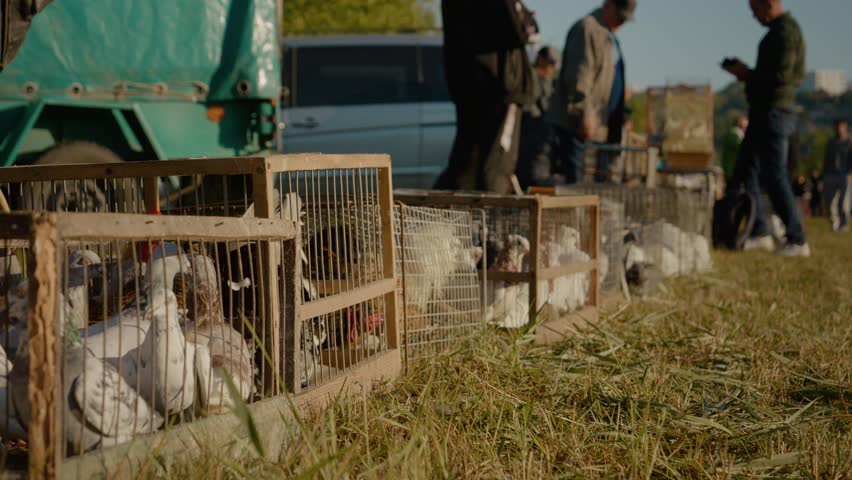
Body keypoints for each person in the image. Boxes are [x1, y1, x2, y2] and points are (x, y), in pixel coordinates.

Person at [722, 0, 809, 257]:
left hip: (775, 112)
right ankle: (759, 230)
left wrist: (748, 75)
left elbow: (781, 76)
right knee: (747, 169)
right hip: (764, 111)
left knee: (774, 174)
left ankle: (797, 238)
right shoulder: (777, 32)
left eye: (755, 9)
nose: (754, 16)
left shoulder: (786, 31)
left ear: (769, 3)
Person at [434, 0, 534, 193]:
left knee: (466, 163)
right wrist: (525, 18)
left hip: (467, 83)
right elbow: (518, 31)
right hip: (500, 85)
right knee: (495, 165)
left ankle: (440, 217)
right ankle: (489, 219)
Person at [547, 0, 636, 184]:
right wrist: (584, 114)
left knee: (595, 189)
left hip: (600, 127)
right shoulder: (588, 29)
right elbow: (579, 77)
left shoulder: (609, 36)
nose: (622, 22)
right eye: (620, 17)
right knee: (577, 188)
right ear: (608, 5)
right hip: (580, 126)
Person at [516, 47, 559, 190]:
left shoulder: (549, 80)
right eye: (549, 63)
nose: (550, 68)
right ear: (540, 58)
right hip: (528, 132)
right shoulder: (530, 76)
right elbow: (530, 105)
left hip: (542, 140)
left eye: (553, 65)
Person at [823, 118, 851, 231]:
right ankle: (834, 221)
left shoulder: (850, 142)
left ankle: (843, 224)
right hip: (830, 174)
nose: (839, 129)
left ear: (845, 127)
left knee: (843, 201)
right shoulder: (831, 142)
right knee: (830, 201)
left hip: (844, 174)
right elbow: (826, 159)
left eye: (842, 126)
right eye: (838, 127)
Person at [720, 115, 748, 184]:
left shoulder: (733, 133)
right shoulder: (734, 134)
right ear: (740, 124)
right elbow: (742, 148)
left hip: (732, 170)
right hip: (733, 170)